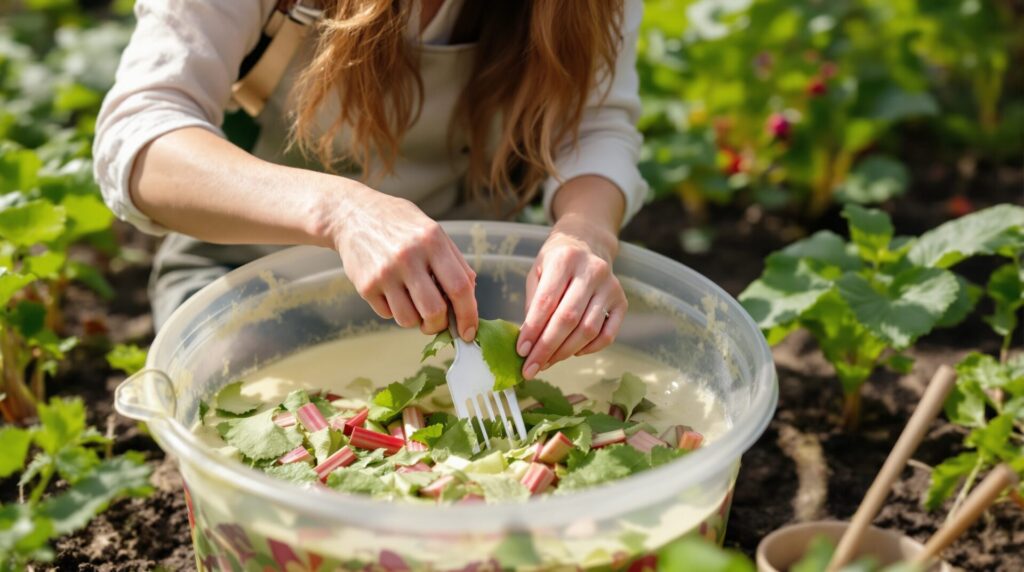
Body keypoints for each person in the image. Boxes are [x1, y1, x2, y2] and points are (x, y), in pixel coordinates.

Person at [94, 0, 647, 381]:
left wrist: (586, 235)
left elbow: (596, 125)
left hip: (474, 296)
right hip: (248, 280)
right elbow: (142, 136)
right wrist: (341, 211)